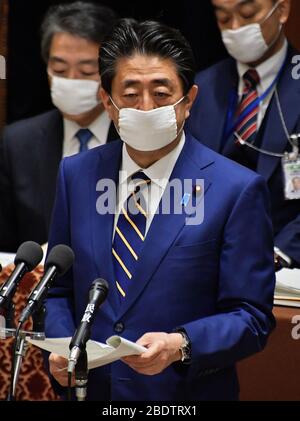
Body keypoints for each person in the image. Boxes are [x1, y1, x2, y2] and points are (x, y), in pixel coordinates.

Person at [45, 18, 275, 401]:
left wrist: (181, 344)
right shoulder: (77, 174)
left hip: (182, 395)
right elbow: (58, 289)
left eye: (162, 93)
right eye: (131, 93)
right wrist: (65, 346)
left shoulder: (237, 189)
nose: (146, 107)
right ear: (107, 102)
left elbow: (251, 317)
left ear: (189, 101)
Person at [186, 0, 300, 271]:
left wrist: (278, 254)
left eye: (248, 15)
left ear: (281, 10)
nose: (235, 28)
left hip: (284, 266)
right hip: (205, 263)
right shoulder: (199, 88)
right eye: (224, 18)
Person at [0, 2, 118, 252]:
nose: (72, 81)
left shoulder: (136, 138)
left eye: (87, 71)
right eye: (60, 69)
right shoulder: (18, 142)